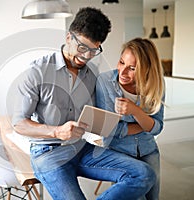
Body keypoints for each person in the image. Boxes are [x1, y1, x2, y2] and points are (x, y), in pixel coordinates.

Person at [12, 7, 156, 200]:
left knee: (144, 174)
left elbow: (98, 118)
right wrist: (56, 131)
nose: (87, 56)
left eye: (94, 50)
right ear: (69, 37)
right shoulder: (37, 72)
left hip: (83, 149)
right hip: (48, 154)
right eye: (82, 48)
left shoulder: (93, 76)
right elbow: (19, 124)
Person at [95, 37, 165, 200]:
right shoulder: (105, 82)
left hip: (149, 150)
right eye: (121, 62)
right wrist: (144, 123)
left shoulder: (156, 84)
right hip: (119, 153)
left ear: (146, 69)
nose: (123, 72)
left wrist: (135, 111)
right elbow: (108, 129)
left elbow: (157, 127)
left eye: (132, 68)